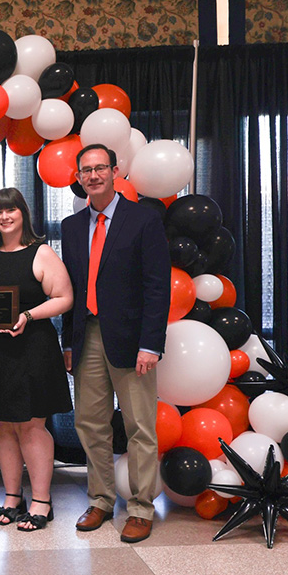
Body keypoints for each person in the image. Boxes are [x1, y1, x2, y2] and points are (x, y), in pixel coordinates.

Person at [61, 143, 171, 543]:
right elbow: (70, 289)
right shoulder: (71, 227)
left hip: (132, 340)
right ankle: (102, 500)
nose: (93, 176)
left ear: (114, 171)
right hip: (85, 334)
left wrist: (150, 343)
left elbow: (157, 288)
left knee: (139, 425)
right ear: (78, 177)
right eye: (86, 170)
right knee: (90, 423)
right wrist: (68, 343)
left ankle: (141, 508)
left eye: (100, 168)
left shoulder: (142, 219)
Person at [0, 187, 73, 531]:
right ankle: (13, 497)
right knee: (3, 425)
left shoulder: (41, 252)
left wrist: (27, 315)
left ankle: (42, 501)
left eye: (11, 210)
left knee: (31, 426)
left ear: (23, 214)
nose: (4, 217)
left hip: (32, 349)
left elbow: (64, 298)